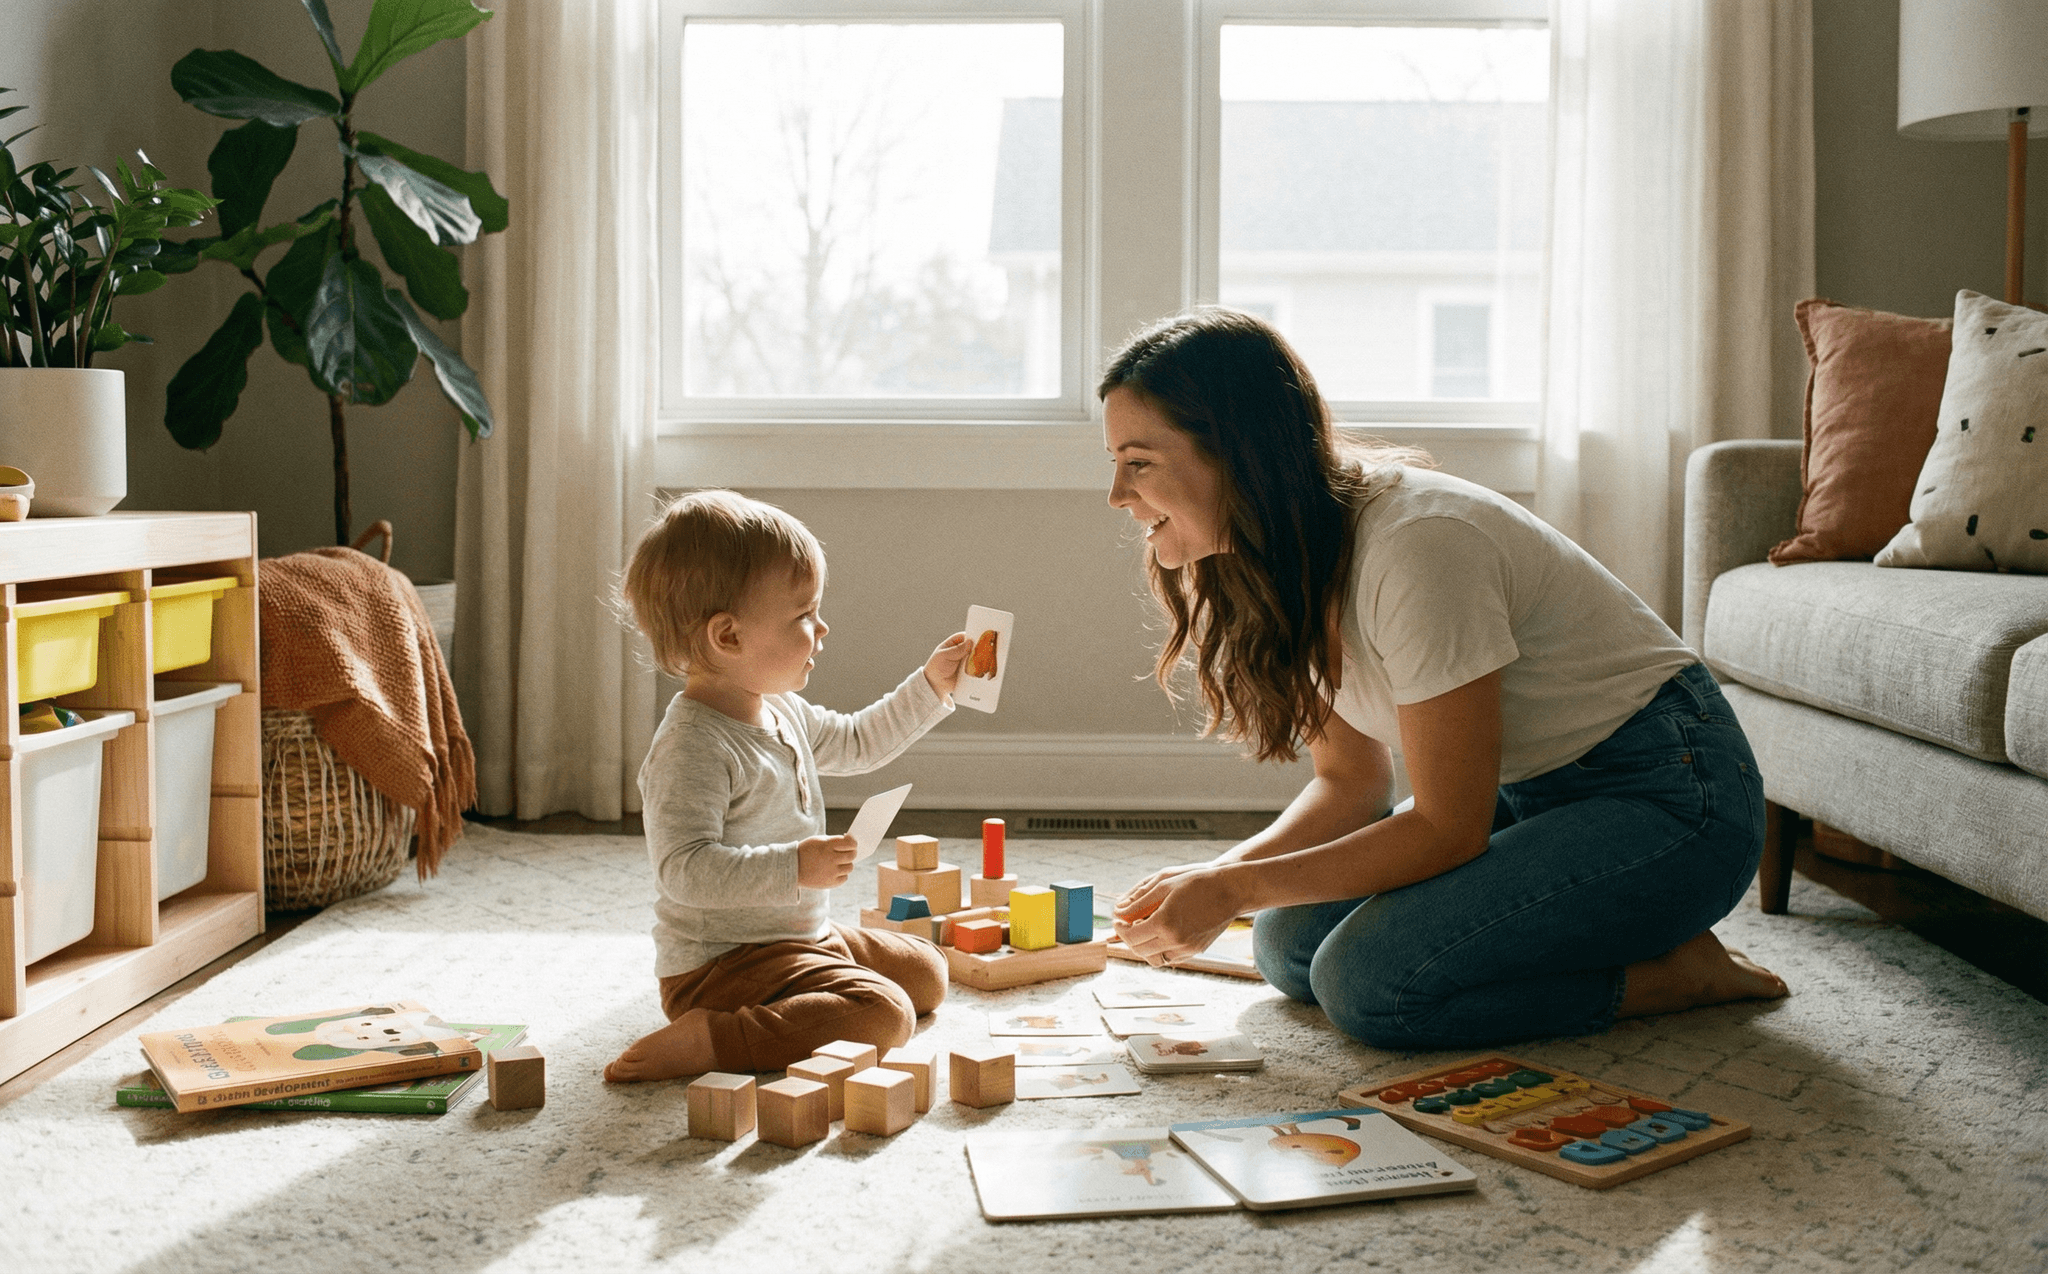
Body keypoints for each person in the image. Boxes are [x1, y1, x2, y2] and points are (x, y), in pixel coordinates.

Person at [1102, 310, 1787, 1052]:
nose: (1116, 493)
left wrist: (1231, 888)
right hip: (1532, 794)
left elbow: (1447, 827)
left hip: (1675, 799)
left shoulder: (1418, 545)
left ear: (1238, 454)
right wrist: (1221, 873)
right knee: (1288, 945)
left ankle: (1677, 976)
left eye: (1138, 463)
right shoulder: (1269, 559)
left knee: (1370, 985)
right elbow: (1351, 782)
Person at [604, 490, 971, 1081]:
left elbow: (857, 741)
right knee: (885, 1015)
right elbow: (685, 870)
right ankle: (713, 1038)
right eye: (803, 615)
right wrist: (795, 867)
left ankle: (805, 988)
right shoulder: (692, 747)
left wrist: (930, 685)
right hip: (721, 967)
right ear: (728, 637)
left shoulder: (781, 709)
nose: (822, 629)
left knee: (928, 971)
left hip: (799, 937)